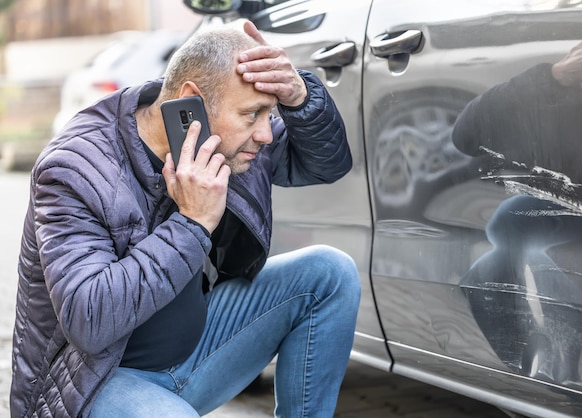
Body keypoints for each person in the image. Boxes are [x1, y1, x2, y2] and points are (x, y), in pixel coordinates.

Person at [10, 21, 361, 418]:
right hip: (97, 384)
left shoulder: (227, 139)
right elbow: (89, 321)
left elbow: (326, 165)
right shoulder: (76, 168)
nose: (266, 134)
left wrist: (300, 99)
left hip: (195, 357)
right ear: (192, 101)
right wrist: (192, 222)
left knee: (329, 273)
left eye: (271, 113)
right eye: (253, 115)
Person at [451, 35, 582, 388]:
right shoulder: (568, 101)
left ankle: (566, 358)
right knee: (494, 252)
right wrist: (555, 75)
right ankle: (541, 364)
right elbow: (466, 135)